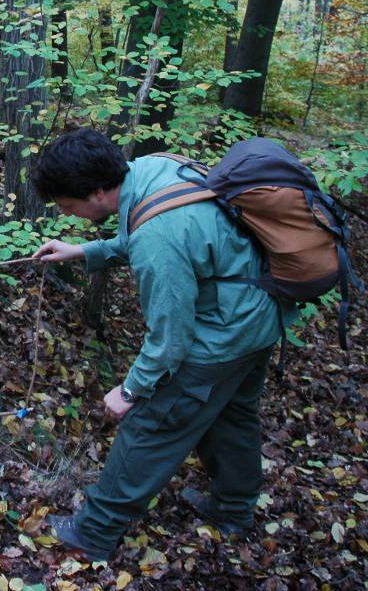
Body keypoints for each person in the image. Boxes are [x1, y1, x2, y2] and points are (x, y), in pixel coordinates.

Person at [31, 128, 295, 562]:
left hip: (224, 333)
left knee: (151, 425)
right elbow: (159, 233)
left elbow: (170, 340)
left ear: (97, 193)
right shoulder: (151, 168)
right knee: (231, 417)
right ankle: (234, 511)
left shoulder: (157, 237)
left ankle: (94, 531)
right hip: (260, 316)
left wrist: (131, 391)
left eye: (69, 207)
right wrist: (82, 251)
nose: (69, 214)